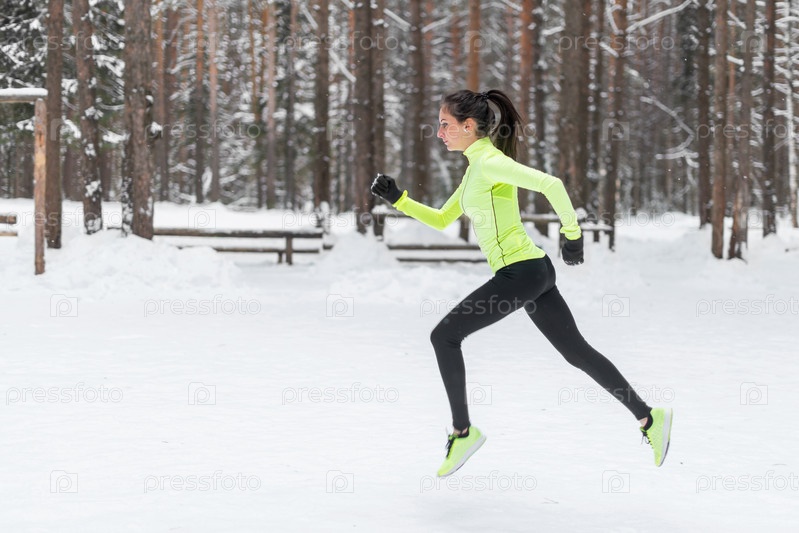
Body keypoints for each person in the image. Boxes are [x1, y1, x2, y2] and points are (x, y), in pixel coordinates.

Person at [370, 89, 672, 478]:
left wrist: (573, 234)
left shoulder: (490, 162)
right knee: (576, 352)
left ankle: (463, 432)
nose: (439, 132)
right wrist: (399, 199)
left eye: (445, 125)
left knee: (444, 337)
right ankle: (650, 418)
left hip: (521, 273)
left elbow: (552, 184)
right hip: (534, 271)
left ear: (468, 126)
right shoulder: (475, 168)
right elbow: (444, 218)